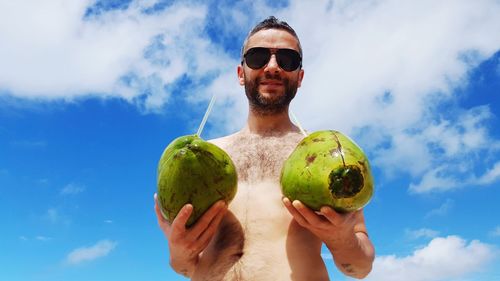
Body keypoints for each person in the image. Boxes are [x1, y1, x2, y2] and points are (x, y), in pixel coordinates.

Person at [154, 16, 375, 280]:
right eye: (257, 57)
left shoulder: (325, 161)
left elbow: (360, 267)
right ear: (241, 73)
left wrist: (341, 239)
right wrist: (179, 253)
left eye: (287, 59)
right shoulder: (205, 158)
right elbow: (185, 267)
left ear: (300, 76)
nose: (272, 67)